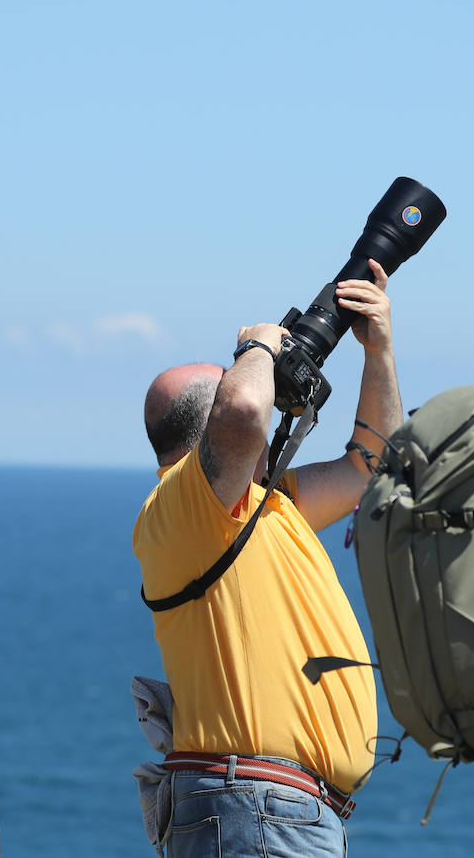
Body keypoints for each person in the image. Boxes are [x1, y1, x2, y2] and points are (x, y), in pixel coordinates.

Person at [131, 259, 402, 857]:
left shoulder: (264, 506)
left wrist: (377, 348)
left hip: (277, 811)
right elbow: (243, 414)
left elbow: (374, 468)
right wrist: (256, 345)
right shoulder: (186, 506)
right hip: (253, 806)